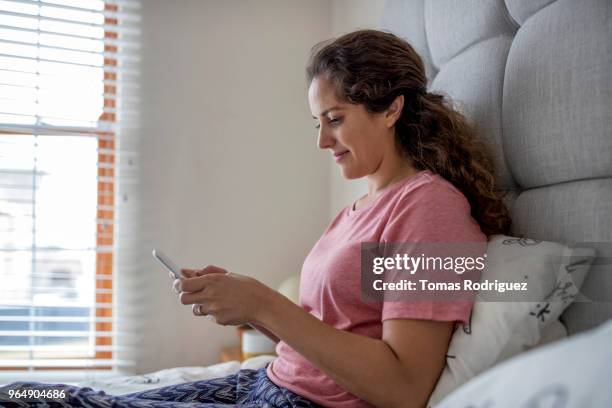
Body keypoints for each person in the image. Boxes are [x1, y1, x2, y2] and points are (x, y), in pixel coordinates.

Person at [0, 29, 510, 408]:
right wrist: (249, 310)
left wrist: (267, 303)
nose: (321, 141)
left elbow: (403, 387)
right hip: (271, 381)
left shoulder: (431, 209)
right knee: (26, 391)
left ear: (392, 109)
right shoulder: (359, 208)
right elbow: (336, 331)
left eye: (335, 120)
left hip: (307, 404)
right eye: (317, 123)